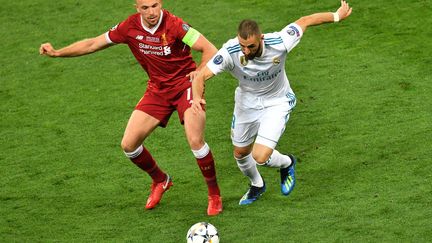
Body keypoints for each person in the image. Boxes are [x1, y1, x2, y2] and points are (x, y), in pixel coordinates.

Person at [39, 0, 223, 216]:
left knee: (195, 140)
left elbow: (210, 49)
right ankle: (161, 180)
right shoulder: (129, 27)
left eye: (155, 5)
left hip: (186, 86)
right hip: (158, 90)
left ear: (160, 3)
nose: (152, 12)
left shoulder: (175, 25)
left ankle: (214, 195)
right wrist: (58, 53)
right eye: (145, 8)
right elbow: (93, 44)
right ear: (137, 8)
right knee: (129, 144)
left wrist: (199, 72)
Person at [191, 1, 352, 205]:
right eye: (243, 46)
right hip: (246, 104)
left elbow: (305, 21)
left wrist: (337, 15)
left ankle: (287, 162)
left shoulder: (280, 42)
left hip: (277, 102)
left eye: (251, 46)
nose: (246, 51)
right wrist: (197, 97)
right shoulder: (230, 52)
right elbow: (199, 77)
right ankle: (257, 185)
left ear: (261, 38)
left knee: (260, 155)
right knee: (240, 153)